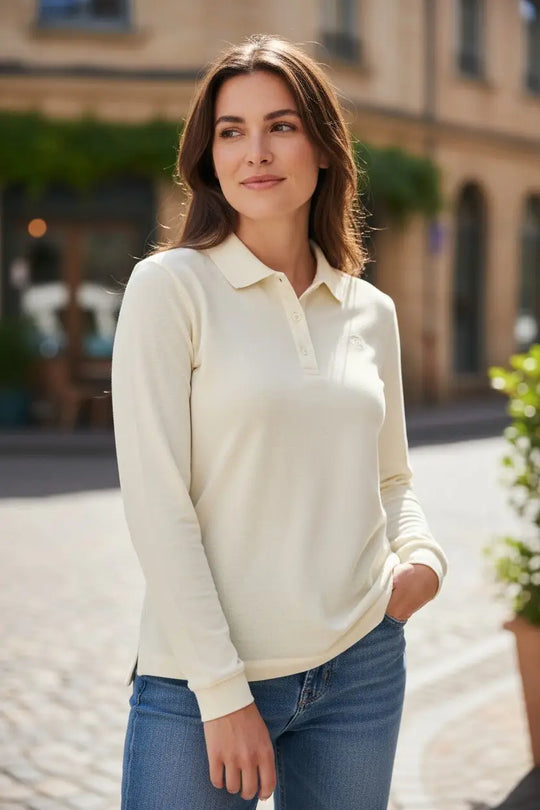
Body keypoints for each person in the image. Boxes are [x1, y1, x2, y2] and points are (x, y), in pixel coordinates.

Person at [111, 32, 448, 810]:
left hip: (361, 670)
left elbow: (391, 476)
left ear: (324, 147)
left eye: (282, 126)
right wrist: (224, 693)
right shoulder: (171, 288)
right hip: (200, 681)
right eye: (232, 131)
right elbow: (158, 505)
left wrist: (422, 561)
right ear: (208, 154)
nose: (255, 152)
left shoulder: (372, 310)